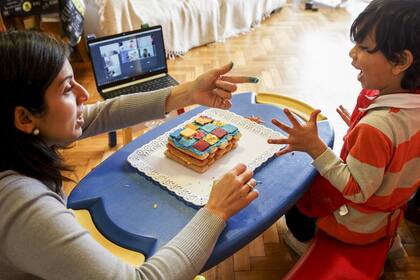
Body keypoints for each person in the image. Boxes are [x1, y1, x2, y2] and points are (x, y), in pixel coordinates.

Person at [0, 30, 260, 279]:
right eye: (67, 89)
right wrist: (215, 211)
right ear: (24, 117)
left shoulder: (19, 139)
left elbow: (104, 113)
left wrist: (190, 92)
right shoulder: (21, 206)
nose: (84, 94)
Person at [268, 0, 420, 255]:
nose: (352, 54)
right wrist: (364, 130)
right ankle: (388, 240)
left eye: (363, 47)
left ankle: (306, 243)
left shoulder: (377, 127)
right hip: (390, 215)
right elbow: (399, 155)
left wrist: (316, 148)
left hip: (356, 226)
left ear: (400, 61)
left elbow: (357, 191)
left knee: (296, 187)